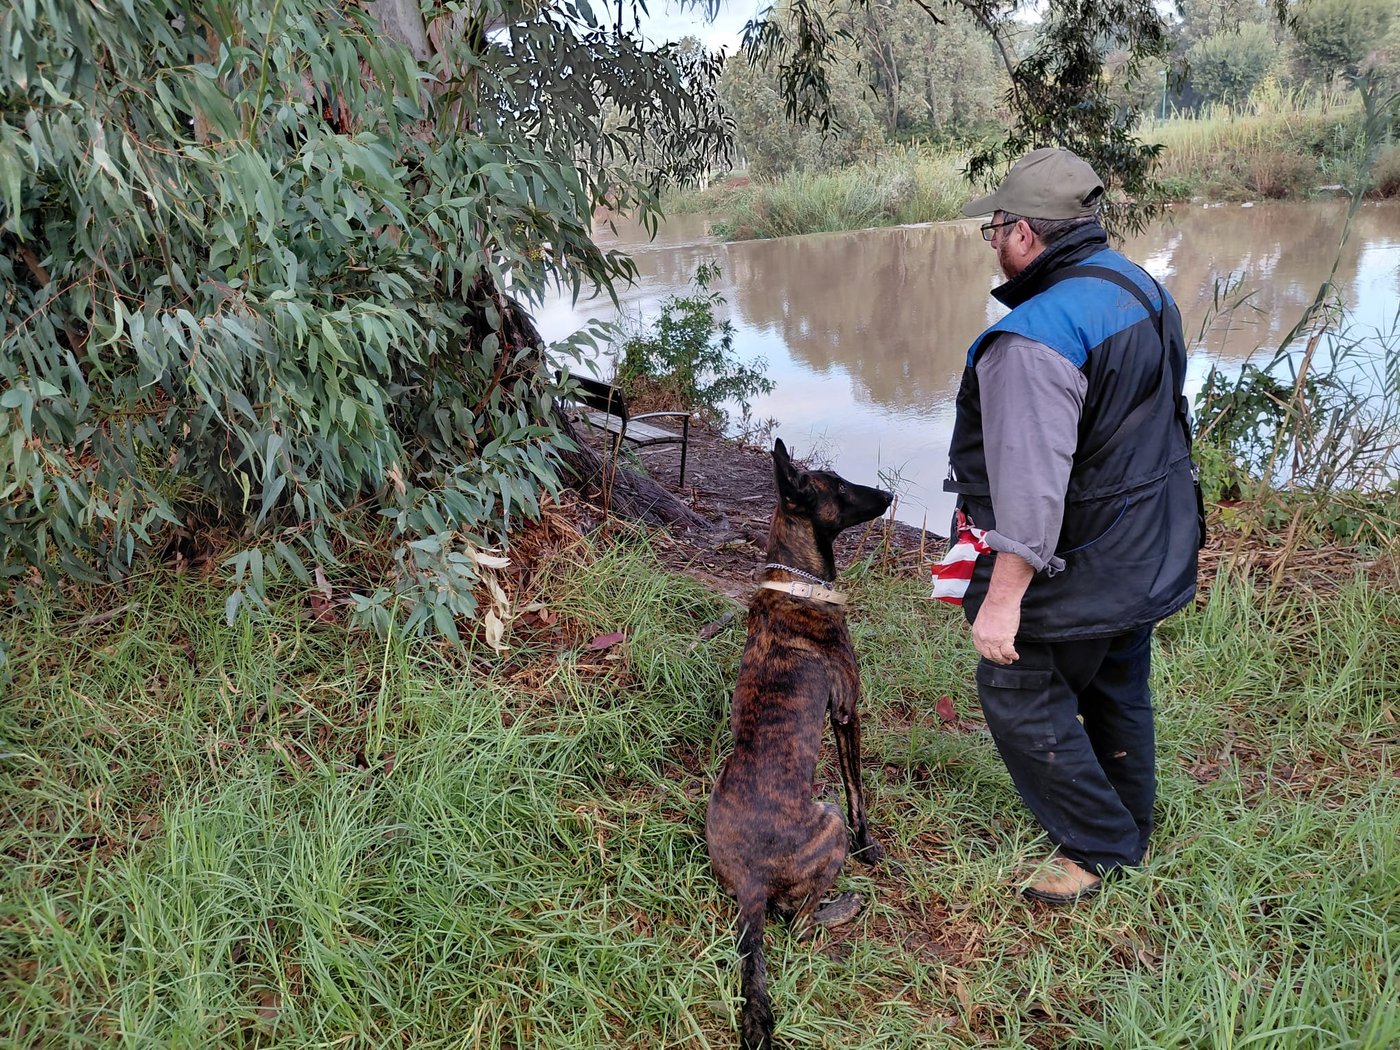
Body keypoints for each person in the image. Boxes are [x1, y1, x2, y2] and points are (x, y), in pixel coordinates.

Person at [942, 147, 1203, 904]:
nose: (991, 242)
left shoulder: (1033, 338)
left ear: (1025, 233)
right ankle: (1131, 822)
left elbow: (1030, 487)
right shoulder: (1138, 285)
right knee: (1120, 679)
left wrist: (1002, 598)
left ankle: (1098, 849)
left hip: (1081, 552)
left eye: (994, 228)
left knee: (1017, 685)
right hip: (1150, 540)